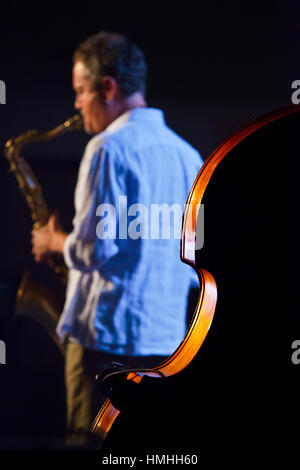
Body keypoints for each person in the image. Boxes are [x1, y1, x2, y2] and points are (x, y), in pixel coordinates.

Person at [31, 31, 203, 448]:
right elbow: (197, 263)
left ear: (107, 88)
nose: (76, 104)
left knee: (88, 445)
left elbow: (93, 250)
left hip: (103, 342)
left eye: (80, 92)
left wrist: (53, 242)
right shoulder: (189, 155)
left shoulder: (106, 149)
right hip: (166, 345)